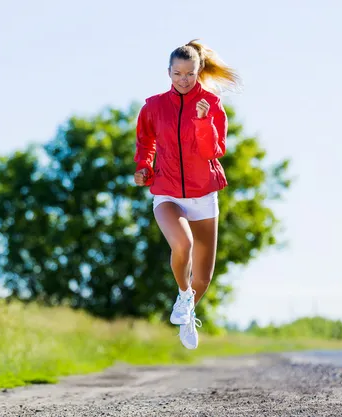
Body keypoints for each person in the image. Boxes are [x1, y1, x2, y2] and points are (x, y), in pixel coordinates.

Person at [133, 39, 240, 349]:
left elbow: (214, 151)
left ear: (199, 71)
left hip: (203, 195)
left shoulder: (212, 105)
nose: (183, 80)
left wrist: (204, 121)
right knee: (183, 244)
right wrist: (143, 167)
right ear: (168, 72)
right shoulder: (153, 106)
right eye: (177, 73)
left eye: (189, 74)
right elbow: (145, 143)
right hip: (167, 192)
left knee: (203, 279)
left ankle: (187, 308)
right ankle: (183, 298)